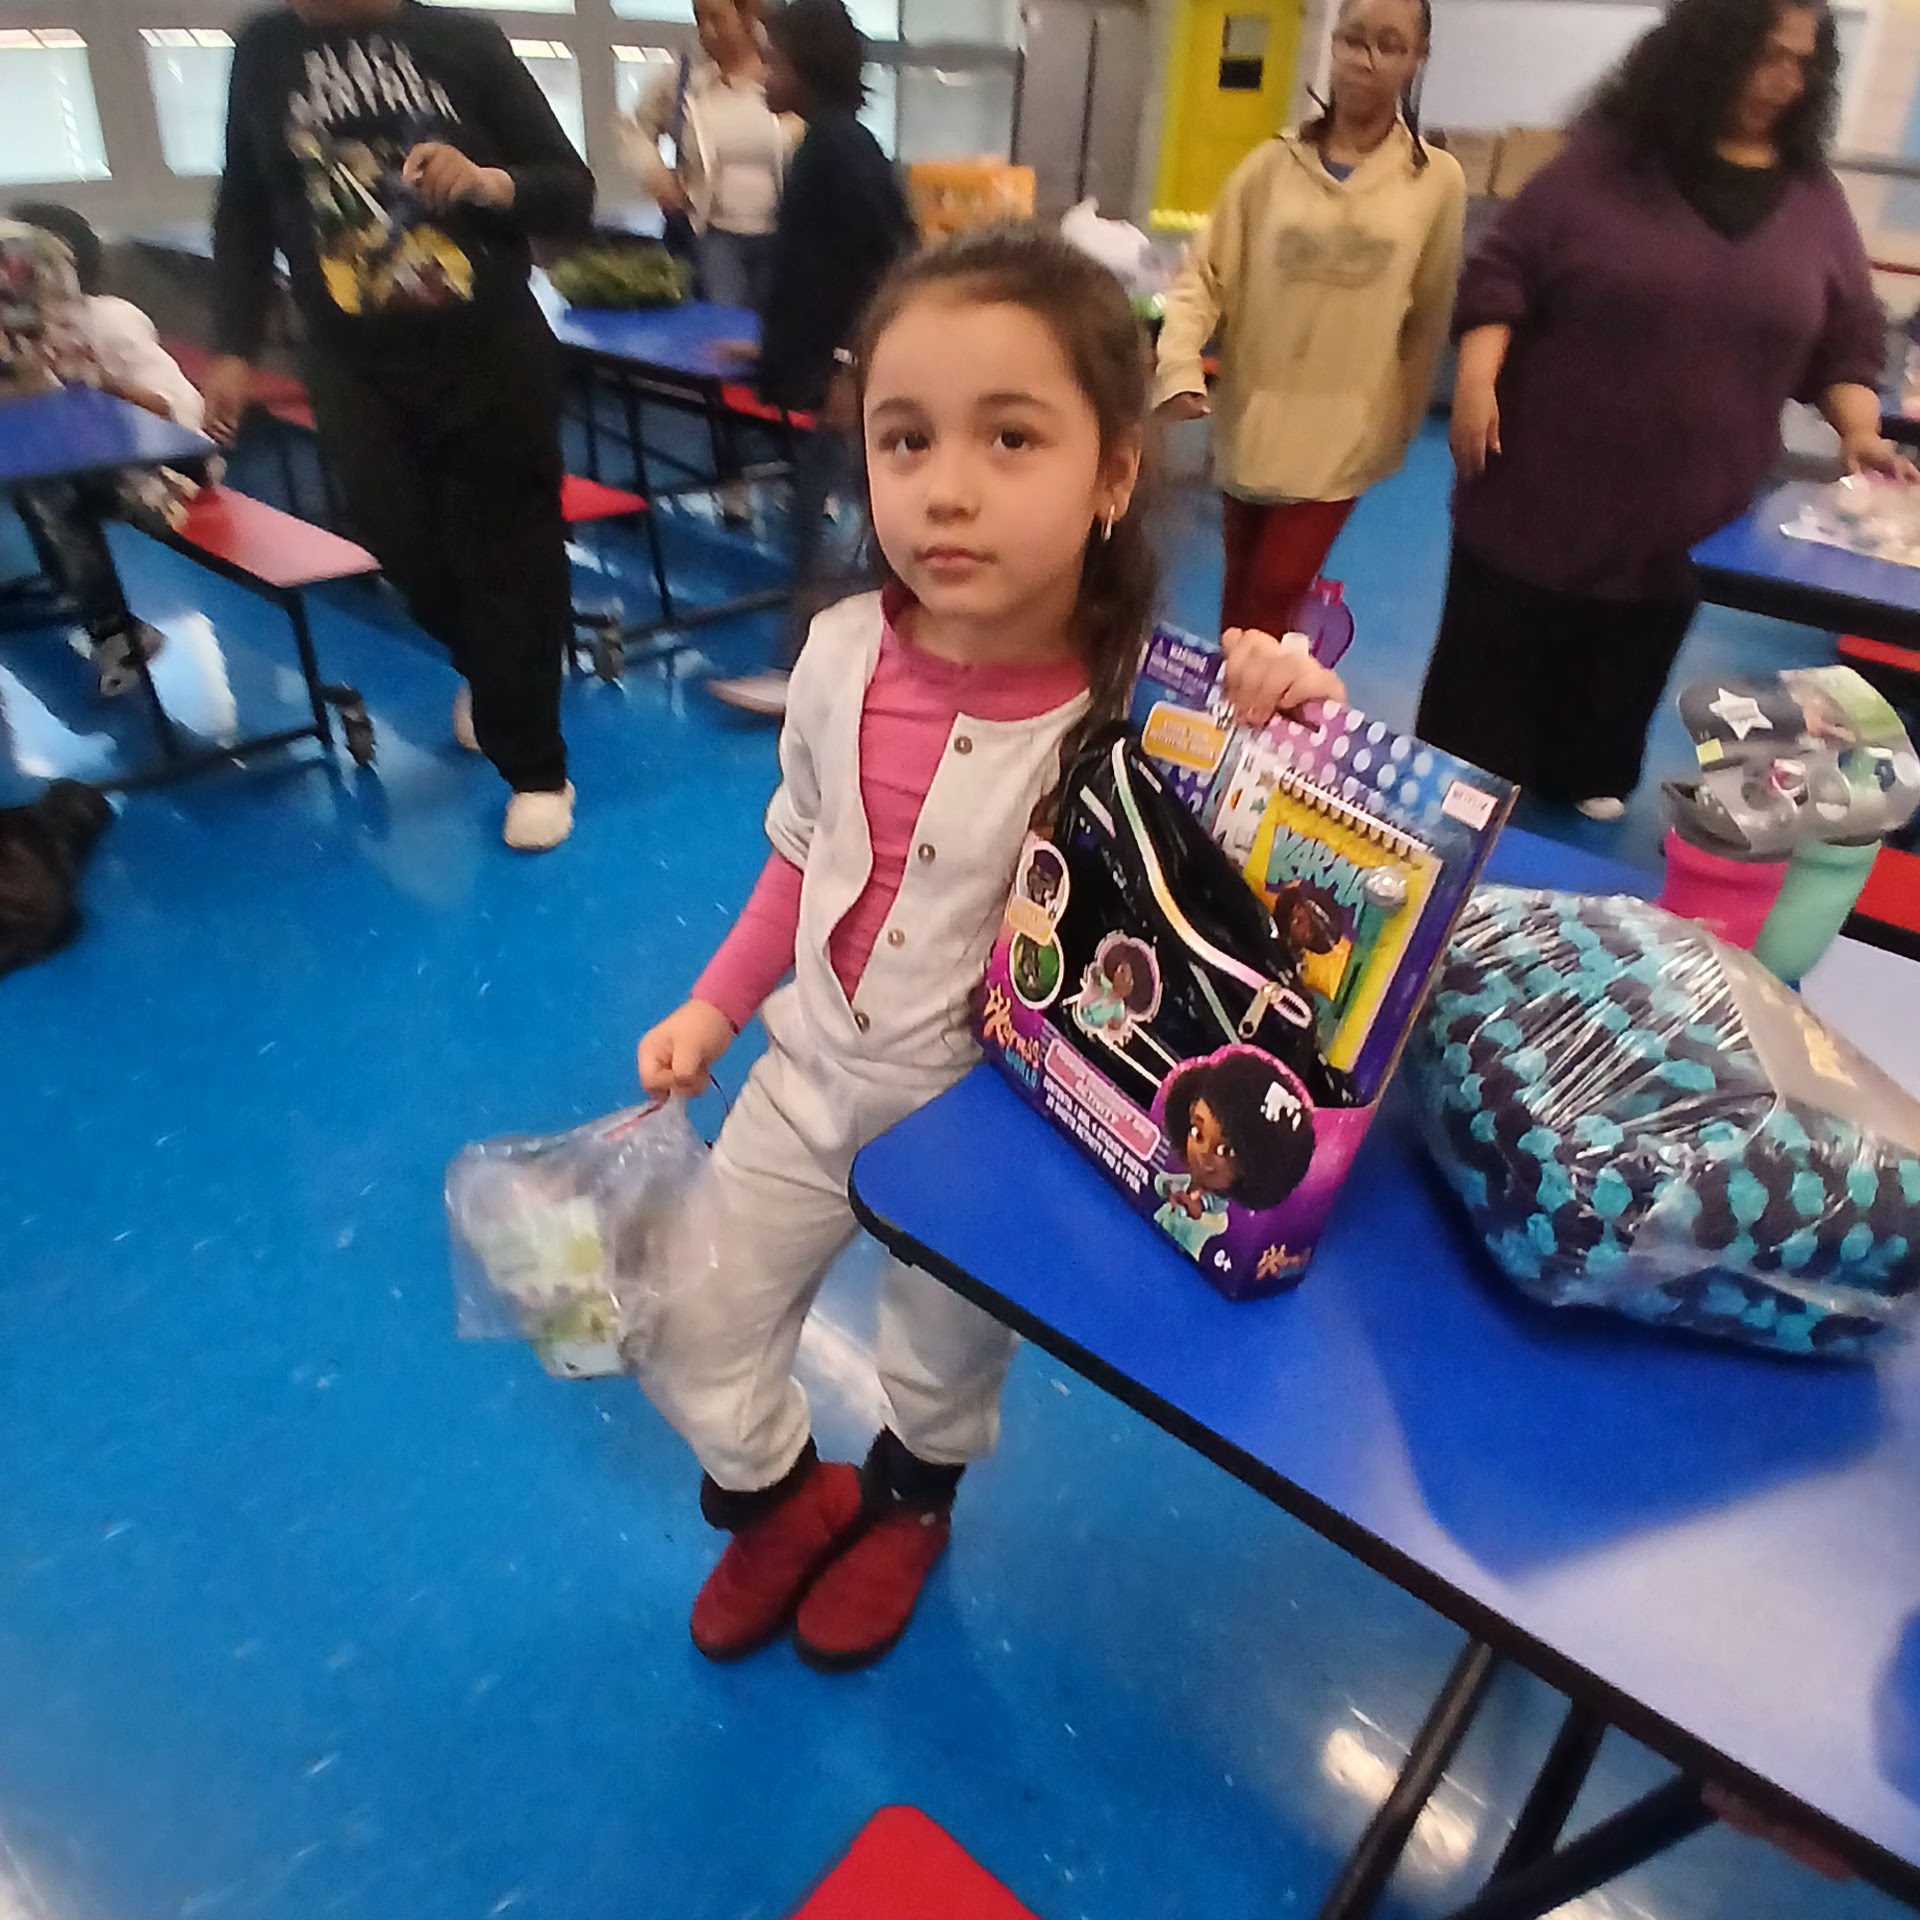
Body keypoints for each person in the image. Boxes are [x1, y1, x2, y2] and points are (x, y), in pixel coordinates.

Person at [632, 230, 1346, 1673]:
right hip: (809, 1070)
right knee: (690, 1316)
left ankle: (905, 1504)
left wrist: (1288, 707)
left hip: (995, 1118)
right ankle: (777, 1501)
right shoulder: (838, 653)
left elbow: (1300, 870)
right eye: (904, 440)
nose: (945, 488)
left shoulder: (1162, 708)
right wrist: (717, 1004)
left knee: (943, 1356)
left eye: (1010, 437)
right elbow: (800, 849)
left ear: (1114, 474)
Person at [1415, 0, 1912, 821]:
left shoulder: (1812, 201)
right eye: (1763, 57)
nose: (1782, 82)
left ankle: (1588, 765)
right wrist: (1476, 380)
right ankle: (1464, 787)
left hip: (1678, 525)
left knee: (1612, 706)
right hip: (1538, 501)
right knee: (1472, 745)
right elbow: (1503, 271)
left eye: (1800, 62)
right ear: (1706, 52)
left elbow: (1847, 338)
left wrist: (1859, 431)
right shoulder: (1606, 165)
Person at [202, 0, 594, 851]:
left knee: (509, 551)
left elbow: (570, 190)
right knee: (401, 541)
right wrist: (230, 344)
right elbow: (245, 205)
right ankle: (491, 674)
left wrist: (490, 183)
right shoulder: (266, 52)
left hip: (486, 348)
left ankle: (535, 766)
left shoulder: (463, 42)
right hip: (354, 363)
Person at [1154, 0, 1465, 640]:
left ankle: (1247, 723)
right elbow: (1203, 276)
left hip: (1345, 429)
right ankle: (1225, 727)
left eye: (1390, 44)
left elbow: (1428, 315)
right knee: (1239, 589)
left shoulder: (1436, 183)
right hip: (1253, 416)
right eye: (1353, 40)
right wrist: (1180, 363)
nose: (1366, 60)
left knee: (1273, 591)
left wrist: (1399, 423)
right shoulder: (1269, 168)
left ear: (1418, 58)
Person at [705, 0, 915, 719]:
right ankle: (836, 662)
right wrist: (771, 341)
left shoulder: (840, 149)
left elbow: (889, 263)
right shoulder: (819, 145)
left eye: (776, 58)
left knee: (835, 525)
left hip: (850, 380)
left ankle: (806, 668)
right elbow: (814, 269)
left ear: (811, 66)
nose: (764, 70)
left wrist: (853, 365)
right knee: (834, 519)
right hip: (827, 365)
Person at [5, 207, 205, 696]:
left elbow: (70, 357)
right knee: (44, 496)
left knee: (55, 496)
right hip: (54, 434)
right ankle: (106, 621)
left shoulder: (30, 258)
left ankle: (114, 630)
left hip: (123, 438)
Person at [617, 0, 795, 314]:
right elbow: (634, 129)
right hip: (714, 235)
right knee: (724, 326)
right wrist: (656, 174)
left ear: (747, 17)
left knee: (773, 329)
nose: (706, 31)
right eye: (699, 18)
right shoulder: (686, 78)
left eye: (716, 18)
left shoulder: (786, 76)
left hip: (782, 235)